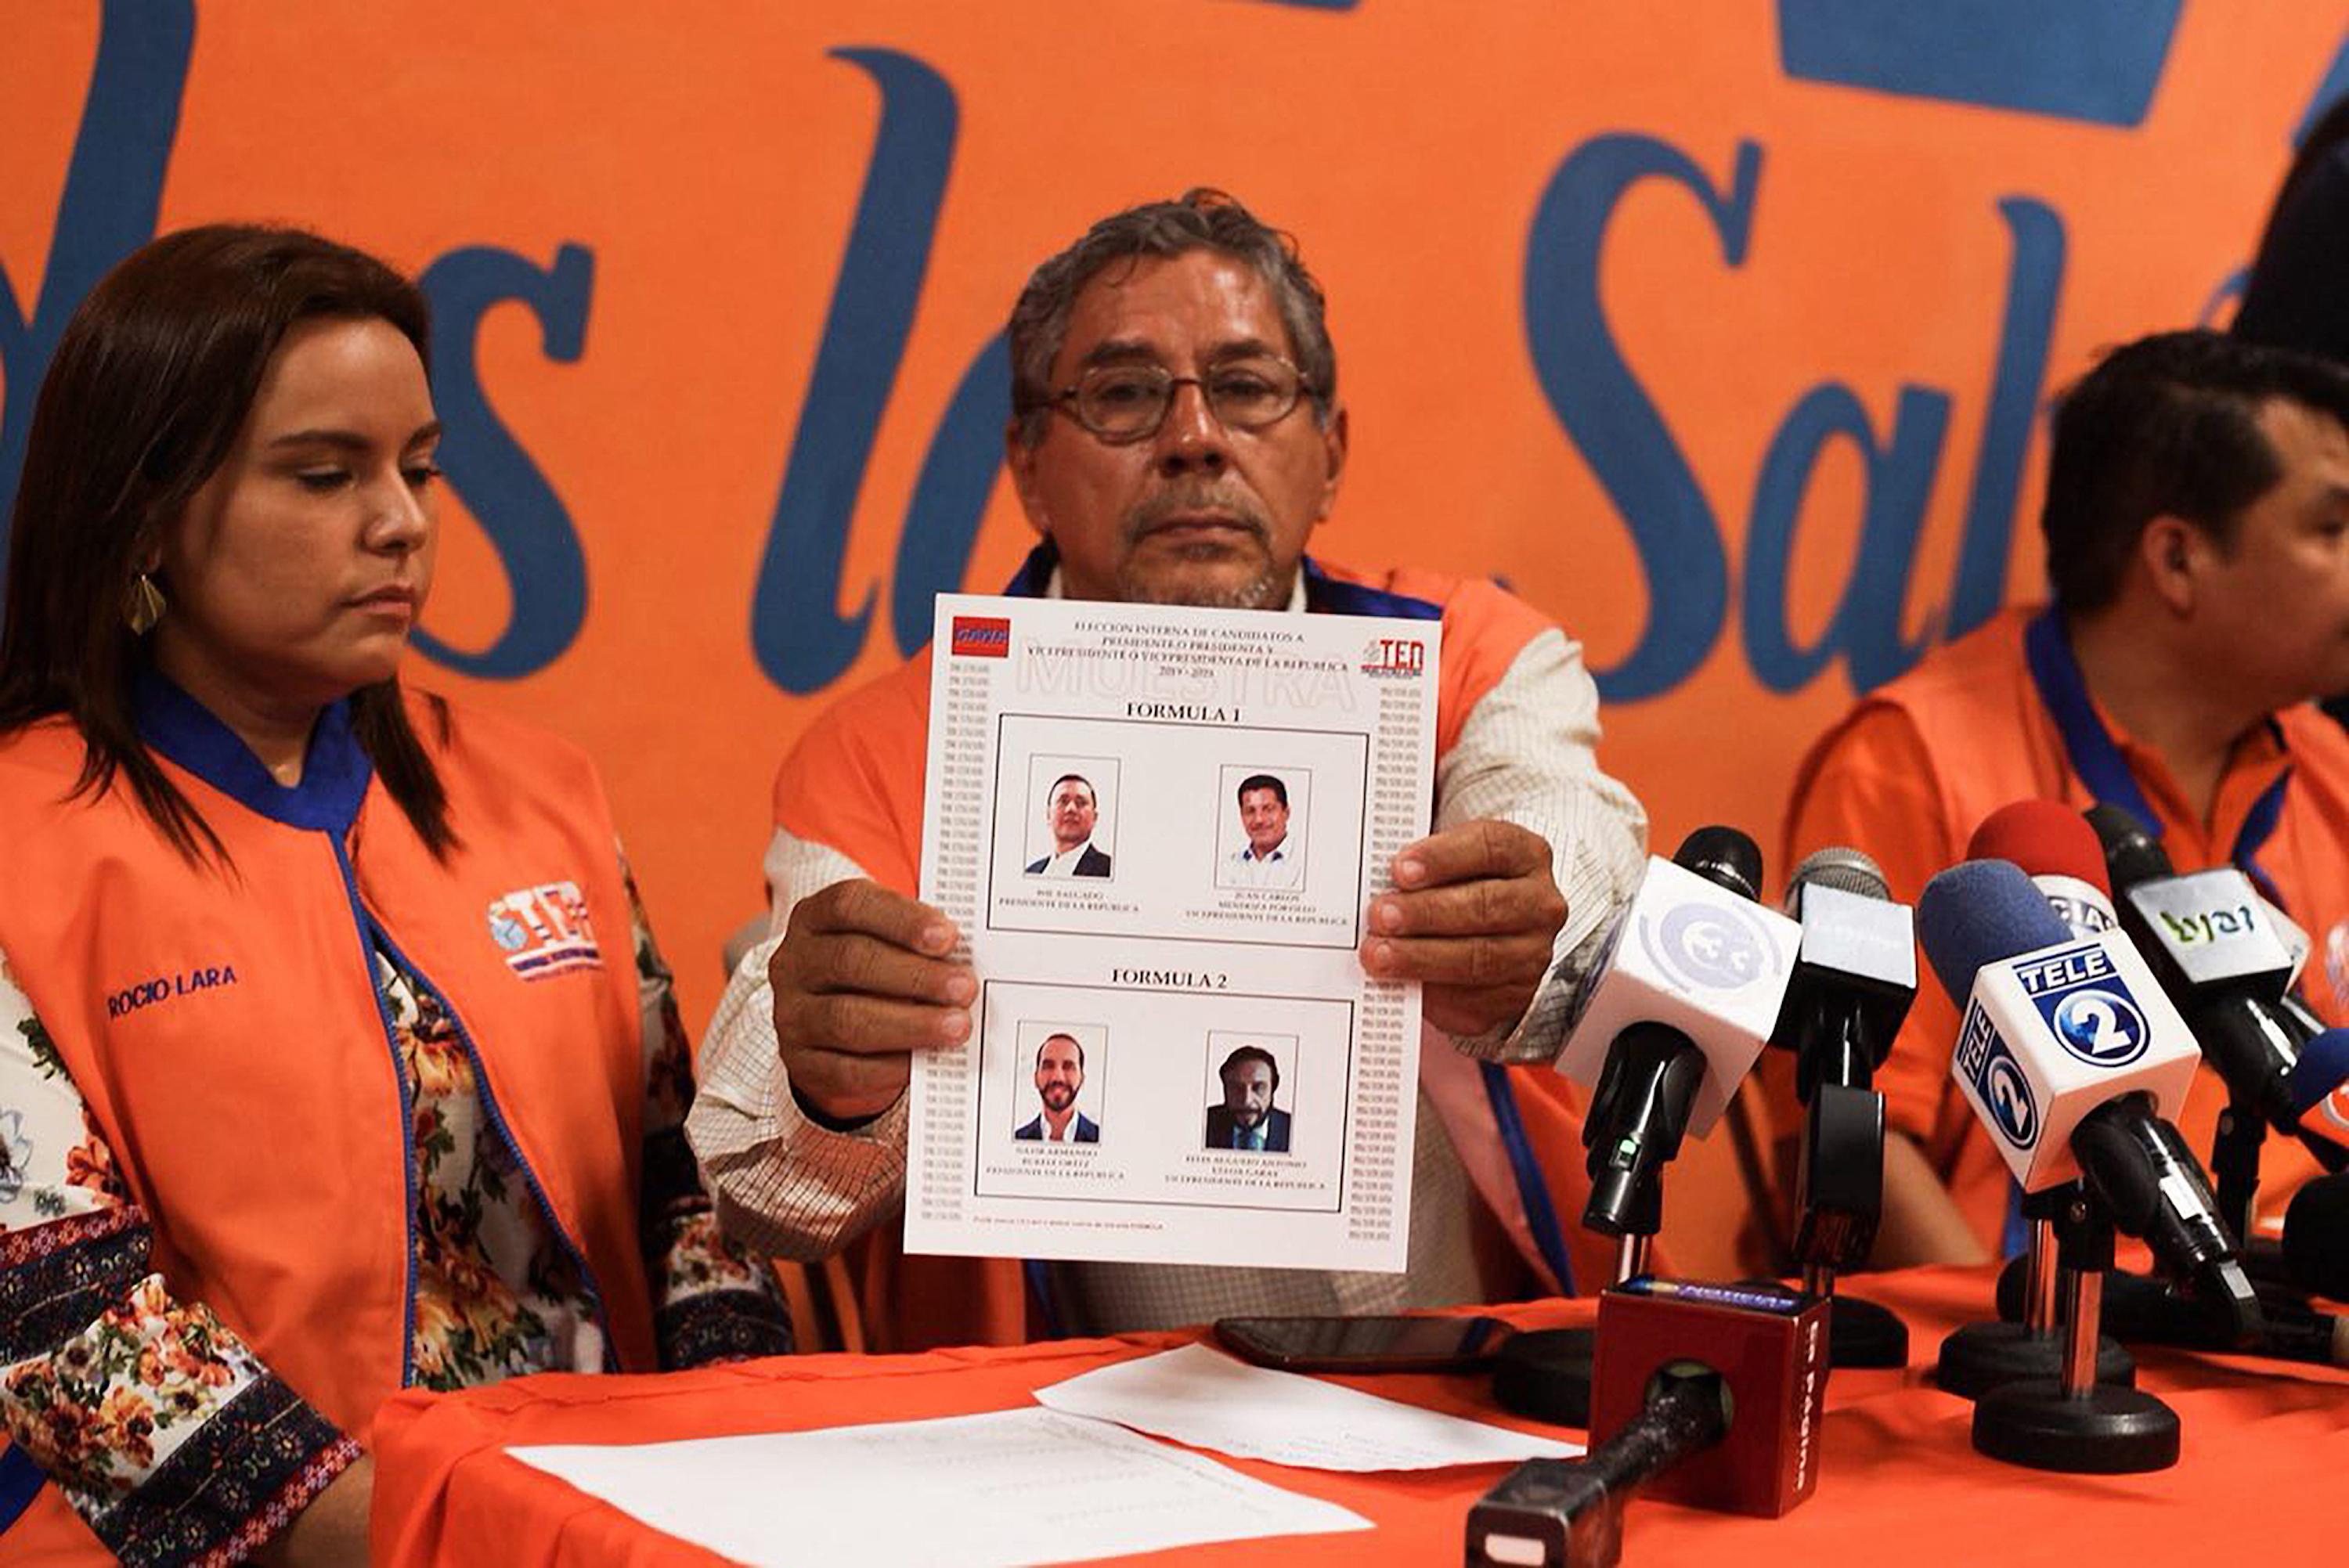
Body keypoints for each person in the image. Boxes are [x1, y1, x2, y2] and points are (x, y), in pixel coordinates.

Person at [689, 189, 1649, 1350]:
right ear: (1030, 468)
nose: (1195, 437)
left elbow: (1569, 842)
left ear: (1329, 452)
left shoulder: (1469, 660)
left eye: (1246, 388)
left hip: (1474, 1383)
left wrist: (1536, 923)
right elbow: (771, 1189)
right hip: (1080, 1439)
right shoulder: (891, 749)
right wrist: (827, 1078)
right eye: (1126, 394)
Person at [0, 227, 792, 1566]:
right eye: (325, 474)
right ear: (143, 511)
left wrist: (736, 1459)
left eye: (419, 467)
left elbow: (684, 1183)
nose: (402, 519)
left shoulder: (545, 793)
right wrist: (455, 1536)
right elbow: (67, 1330)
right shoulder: (24, 842)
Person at [1778, 329, 2349, 1265]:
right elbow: (1853, 1135)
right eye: (2331, 528)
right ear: (2176, 560)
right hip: (2024, 1352)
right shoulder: (1910, 759)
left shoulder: (2327, 761)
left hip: (2298, 1347)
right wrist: (2038, 1353)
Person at [1015, 1032, 1099, 1142]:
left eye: (1068, 1067)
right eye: (1048, 1066)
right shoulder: (1018, 1138)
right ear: (1036, 1078)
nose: (1057, 1077)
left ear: (1082, 1079)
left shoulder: (1101, 1139)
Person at [1204, 1045, 1291, 1152]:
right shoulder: (1202, 1123)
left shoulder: (1294, 1129)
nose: (1247, 1101)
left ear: (1273, 1089)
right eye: (1236, 1088)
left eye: (1258, 1088)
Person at [1023, 772, 1112, 875]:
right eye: (1063, 801)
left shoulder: (1109, 869)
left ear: (1095, 818)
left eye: (1081, 803)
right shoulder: (1031, 872)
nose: (1071, 809)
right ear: (1048, 815)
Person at [1227, 772, 1301, 889]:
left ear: (1286, 813)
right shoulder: (1229, 866)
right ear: (1241, 815)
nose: (1259, 820)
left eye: (1268, 809)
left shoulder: (1304, 862)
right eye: (1250, 811)